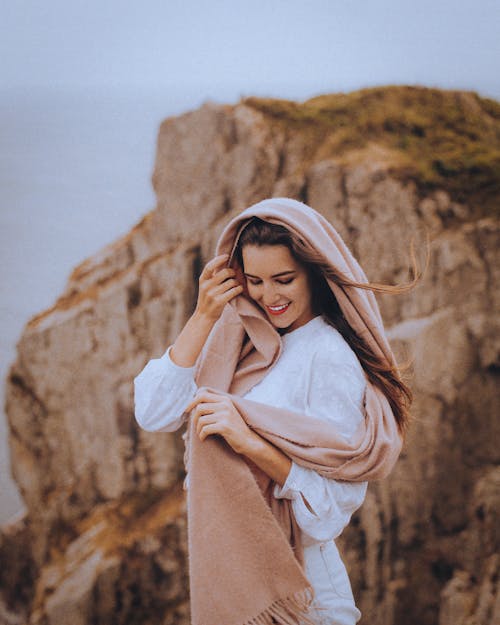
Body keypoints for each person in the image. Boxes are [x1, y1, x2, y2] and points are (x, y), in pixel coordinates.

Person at [134, 198, 425, 625]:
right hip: (241, 574)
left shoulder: (327, 355)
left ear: (314, 273)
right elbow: (154, 412)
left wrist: (248, 440)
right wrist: (203, 315)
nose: (268, 296)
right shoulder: (242, 341)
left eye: (283, 279)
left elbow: (328, 513)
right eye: (254, 280)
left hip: (301, 595)